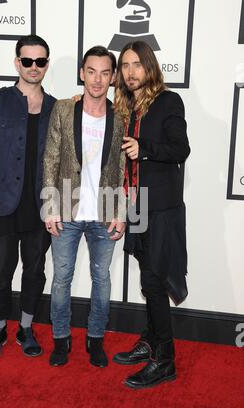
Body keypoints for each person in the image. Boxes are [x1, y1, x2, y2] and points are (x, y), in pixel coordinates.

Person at [0, 34, 56, 359]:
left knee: (34, 271)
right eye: (27, 60)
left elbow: (62, 160)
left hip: (40, 206)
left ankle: (26, 327)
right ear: (17, 62)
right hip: (2, 204)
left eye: (40, 61)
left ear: (46, 64)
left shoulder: (55, 107)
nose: (34, 67)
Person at [112, 41, 190, 388]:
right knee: (148, 279)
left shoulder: (167, 101)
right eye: (125, 65)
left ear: (149, 67)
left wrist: (144, 150)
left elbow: (180, 148)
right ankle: (150, 338)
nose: (130, 72)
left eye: (136, 65)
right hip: (137, 205)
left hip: (160, 207)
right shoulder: (125, 105)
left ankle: (165, 359)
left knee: (155, 282)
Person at [42, 46, 126, 368]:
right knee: (61, 278)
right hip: (65, 210)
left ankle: (95, 340)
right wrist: (50, 207)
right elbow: (50, 159)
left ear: (113, 77)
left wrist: (121, 212)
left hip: (105, 213)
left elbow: (123, 168)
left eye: (105, 73)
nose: (97, 79)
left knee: (101, 279)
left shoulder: (122, 115)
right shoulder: (64, 109)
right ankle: (61, 339)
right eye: (91, 71)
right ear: (82, 73)